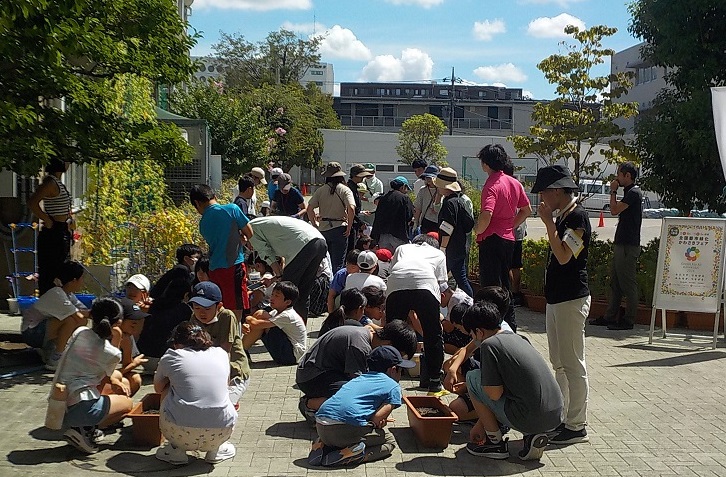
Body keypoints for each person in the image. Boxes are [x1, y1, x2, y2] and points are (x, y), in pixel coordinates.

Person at [532, 164, 591, 445]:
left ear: (557, 191)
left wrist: (548, 224)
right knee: (559, 363)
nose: (542, 199)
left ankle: (576, 424)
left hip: (571, 298)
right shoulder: (565, 216)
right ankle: (564, 417)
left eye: (544, 192)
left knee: (572, 363)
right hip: (557, 298)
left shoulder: (577, 217)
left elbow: (565, 256)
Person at [462, 301, 563, 461]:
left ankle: (494, 442)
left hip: (530, 415)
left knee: (473, 378)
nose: (473, 339)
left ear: (479, 332)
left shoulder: (489, 345)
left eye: (472, 335)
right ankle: (532, 435)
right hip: (555, 416)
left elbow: (494, 395)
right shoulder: (520, 338)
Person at [309, 346, 415, 467]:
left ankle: (322, 446)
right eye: (401, 370)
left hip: (321, 426)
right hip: (342, 429)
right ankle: (354, 455)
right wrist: (377, 423)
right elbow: (376, 419)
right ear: (393, 369)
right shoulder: (393, 386)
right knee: (389, 440)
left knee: (342, 431)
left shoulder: (359, 378)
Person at [56, 298, 133, 454]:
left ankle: (83, 427)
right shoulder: (110, 352)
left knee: (116, 381)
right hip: (81, 406)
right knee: (127, 403)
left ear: (91, 315)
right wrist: (117, 339)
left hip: (62, 403)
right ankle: (84, 430)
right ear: (118, 323)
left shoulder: (79, 332)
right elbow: (108, 376)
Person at [296, 321, 417, 420]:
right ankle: (309, 403)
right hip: (311, 377)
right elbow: (359, 387)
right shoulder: (360, 346)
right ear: (389, 344)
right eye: (398, 355)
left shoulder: (368, 337)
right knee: (353, 397)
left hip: (329, 372)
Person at [154, 322, 237, 465]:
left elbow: (158, 388)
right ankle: (214, 451)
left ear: (177, 343)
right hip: (220, 432)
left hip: (179, 432)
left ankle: (177, 451)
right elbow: (227, 384)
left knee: (167, 388)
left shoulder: (172, 356)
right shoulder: (221, 353)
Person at [385, 234, 448, 392]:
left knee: (393, 332)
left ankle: (387, 377)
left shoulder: (402, 248)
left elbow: (394, 270)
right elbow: (443, 285)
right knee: (433, 334)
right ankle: (434, 380)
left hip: (397, 283)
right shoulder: (438, 253)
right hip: (426, 284)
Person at [591, 162, 643, 330]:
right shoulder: (629, 193)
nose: (617, 178)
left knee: (627, 282)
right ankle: (610, 316)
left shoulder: (634, 193)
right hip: (621, 242)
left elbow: (614, 210)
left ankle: (629, 320)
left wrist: (613, 191)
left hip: (629, 245)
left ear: (628, 176)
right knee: (615, 282)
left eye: (619, 174)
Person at [189, 184, 253, 319]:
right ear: (214, 196)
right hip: (234, 266)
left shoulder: (203, 223)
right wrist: (240, 236)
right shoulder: (232, 209)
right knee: (236, 308)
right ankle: (235, 336)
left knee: (219, 306)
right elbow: (249, 233)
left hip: (214, 269)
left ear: (197, 203)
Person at [248, 216, 328, 322]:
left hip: (303, 245)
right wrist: (274, 279)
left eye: (246, 245)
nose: (249, 248)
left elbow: (266, 253)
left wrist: (279, 276)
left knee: (284, 291)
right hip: (319, 241)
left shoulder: (250, 229)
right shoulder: (261, 223)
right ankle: (300, 329)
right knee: (302, 292)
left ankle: (282, 328)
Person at [474, 144, 531, 290]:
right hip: (508, 238)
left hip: (491, 238)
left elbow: (487, 213)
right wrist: (510, 225)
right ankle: (508, 311)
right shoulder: (514, 183)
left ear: (485, 164)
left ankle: (493, 312)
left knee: (490, 284)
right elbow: (526, 210)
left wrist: (478, 230)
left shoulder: (491, 184)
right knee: (504, 282)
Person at [188, 282, 251, 407]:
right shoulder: (194, 318)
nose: (201, 313)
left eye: (207, 309)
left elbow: (225, 352)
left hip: (233, 372)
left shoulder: (226, 316)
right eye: (197, 308)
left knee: (224, 406)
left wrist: (224, 386)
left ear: (219, 306)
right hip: (208, 372)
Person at [21, 260, 89, 370]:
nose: (83, 282)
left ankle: (50, 350)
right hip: (31, 332)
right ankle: (56, 358)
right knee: (71, 321)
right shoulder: (57, 294)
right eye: (82, 278)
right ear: (74, 280)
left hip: (41, 329)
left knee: (79, 321)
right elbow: (79, 316)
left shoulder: (68, 294)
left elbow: (84, 312)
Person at [28, 159, 73, 295]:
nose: (68, 164)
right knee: (51, 271)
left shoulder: (59, 182)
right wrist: (47, 220)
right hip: (54, 230)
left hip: (63, 228)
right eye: (66, 161)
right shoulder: (50, 182)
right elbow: (32, 202)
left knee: (62, 269)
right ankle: (49, 302)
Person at [242, 281, 307, 366]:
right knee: (261, 315)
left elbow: (256, 324)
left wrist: (246, 318)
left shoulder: (287, 315)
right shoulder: (276, 312)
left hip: (291, 356)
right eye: (272, 294)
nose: (272, 298)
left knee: (261, 315)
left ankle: (241, 350)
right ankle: (242, 350)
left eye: (276, 296)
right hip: (286, 353)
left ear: (287, 302)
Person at [307, 162, 356, 273]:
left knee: (324, 262)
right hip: (339, 228)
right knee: (338, 262)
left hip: (323, 228)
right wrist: (349, 226)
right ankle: (335, 287)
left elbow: (309, 209)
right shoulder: (345, 190)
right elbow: (351, 208)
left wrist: (314, 224)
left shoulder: (320, 190)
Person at [137, 274, 192, 370]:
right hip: (168, 360)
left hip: (143, 358)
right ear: (186, 295)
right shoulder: (185, 310)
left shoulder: (153, 305)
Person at [434, 167, 475, 297]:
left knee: (438, 278)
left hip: (449, 248)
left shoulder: (448, 203)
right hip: (460, 246)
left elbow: (447, 227)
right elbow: (469, 224)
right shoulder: (459, 201)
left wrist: (443, 248)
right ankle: (471, 302)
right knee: (461, 279)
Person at [101, 298, 149, 398]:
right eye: (133, 324)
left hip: (109, 377)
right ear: (119, 322)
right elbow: (105, 375)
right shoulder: (102, 340)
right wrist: (135, 364)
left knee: (135, 378)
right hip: (98, 380)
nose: (135, 328)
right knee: (119, 379)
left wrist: (127, 348)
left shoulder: (127, 337)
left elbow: (126, 366)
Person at [371, 176, 414, 252]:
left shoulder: (383, 198)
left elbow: (378, 216)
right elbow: (409, 216)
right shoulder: (404, 198)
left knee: (384, 258)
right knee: (399, 258)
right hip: (399, 234)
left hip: (383, 235)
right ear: (403, 187)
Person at [346, 164, 373, 251]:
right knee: (350, 248)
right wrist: (360, 222)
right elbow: (350, 208)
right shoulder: (350, 188)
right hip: (350, 222)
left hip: (354, 220)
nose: (363, 178)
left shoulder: (353, 187)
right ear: (355, 175)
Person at [327, 249, 360, 314]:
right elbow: (331, 295)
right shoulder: (341, 274)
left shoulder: (362, 275)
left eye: (354, 268)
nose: (350, 269)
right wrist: (330, 313)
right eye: (348, 265)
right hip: (342, 303)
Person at [413, 164, 441, 234]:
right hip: (426, 220)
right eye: (426, 177)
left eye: (430, 177)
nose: (428, 179)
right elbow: (418, 208)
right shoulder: (423, 190)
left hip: (439, 221)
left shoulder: (441, 190)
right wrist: (416, 223)